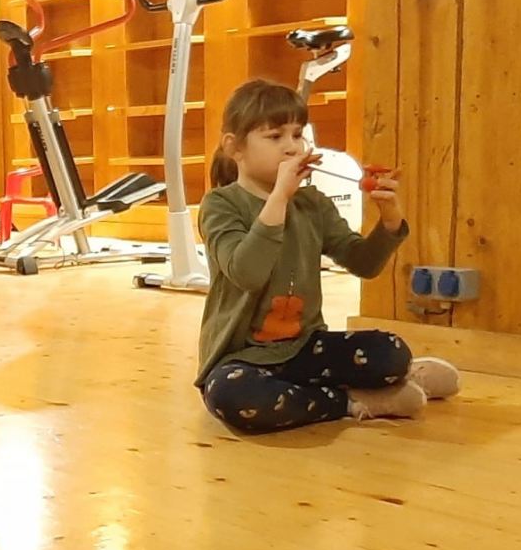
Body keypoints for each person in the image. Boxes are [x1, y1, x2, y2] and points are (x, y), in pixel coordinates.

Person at [197, 78, 460, 434]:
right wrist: (279, 198)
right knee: (232, 395)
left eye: (297, 134)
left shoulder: (313, 204)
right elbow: (247, 273)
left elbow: (363, 263)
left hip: (305, 348)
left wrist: (389, 220)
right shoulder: (220, 205)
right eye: (275, 136)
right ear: (235, 147)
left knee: (390, 351)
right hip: (241, 358)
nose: (292, 147)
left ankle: (405, 374)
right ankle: (351, 401)